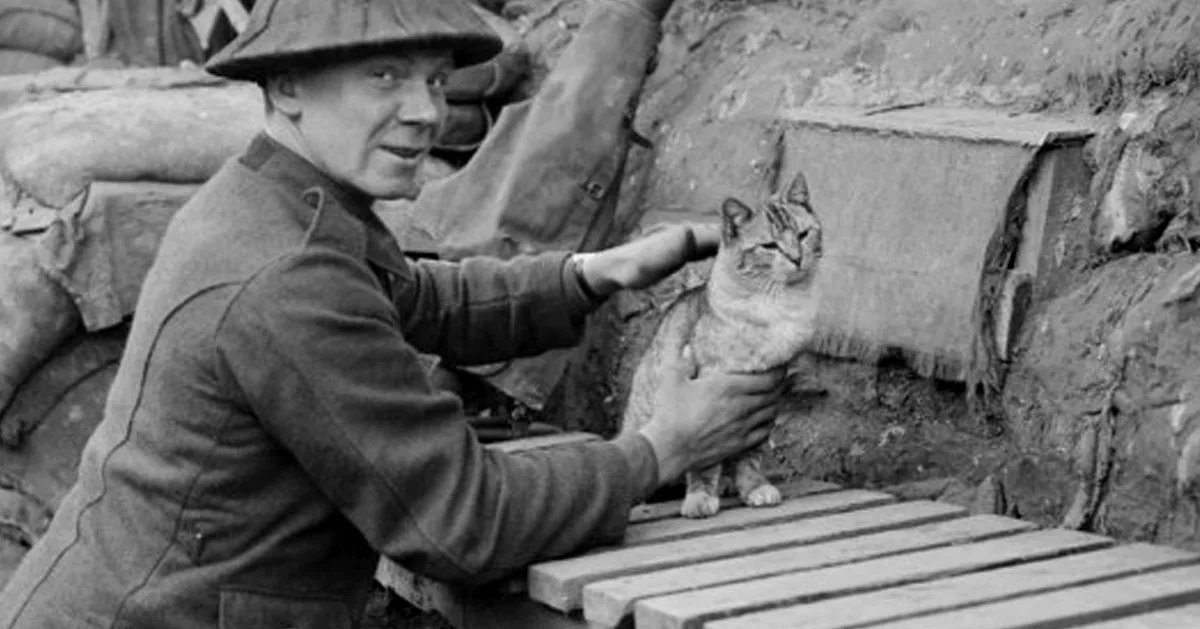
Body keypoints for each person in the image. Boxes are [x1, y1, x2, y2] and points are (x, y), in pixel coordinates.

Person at [0, 1, 784, 627]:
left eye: (437, 82)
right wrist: (659, 449)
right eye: (384, 76)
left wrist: (589, 274)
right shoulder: (285, 272)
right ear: (285, 87)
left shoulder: (281, 200)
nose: (424, 112)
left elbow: (412, 296)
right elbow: (461, 521)